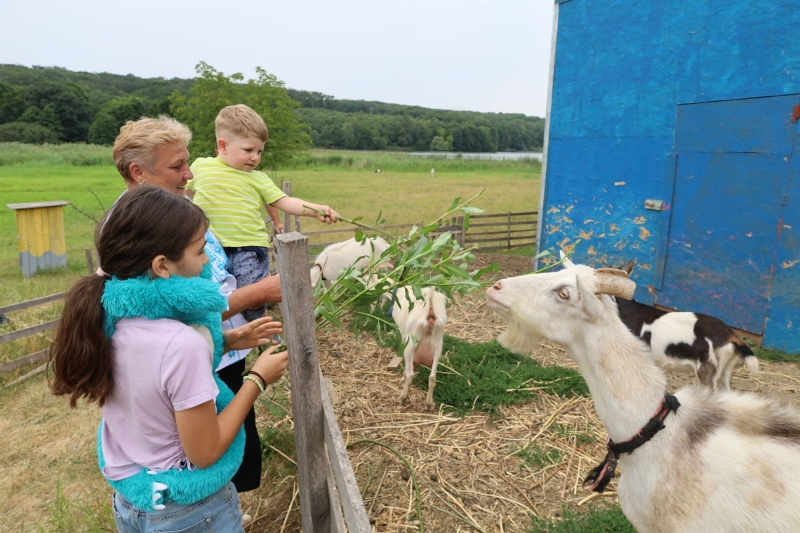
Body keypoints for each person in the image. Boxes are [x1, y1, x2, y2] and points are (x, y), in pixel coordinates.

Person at [49, 185, 290, 532]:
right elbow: (204, 451)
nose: (207, 260)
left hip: (136, 500)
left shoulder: (106, 317)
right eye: (198, 251)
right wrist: (257, 380)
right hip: (187, 511)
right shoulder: (181, 343)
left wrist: (230, 338)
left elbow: (151, 369)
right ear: (162, 266)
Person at [110, 116, 276, 503]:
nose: (189, 173)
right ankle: (214, 511)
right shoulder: (144, 228)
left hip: (210, 354)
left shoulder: (173, 211)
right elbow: (168, 316)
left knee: (231, 451)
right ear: (138, 172)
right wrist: (254, 295)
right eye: (176, 166)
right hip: (192, 374)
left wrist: (231, 336)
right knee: (207, 454)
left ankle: (223, 508)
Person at [187, 104, 340, 323]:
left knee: (250, 299)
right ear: (223, 145)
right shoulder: (201, 167)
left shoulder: (258, 178)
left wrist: (316, 210)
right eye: (249, 150)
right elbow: (183, 195)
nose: (255, 157)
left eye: (259, 151)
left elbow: (286, 202)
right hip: (209, 246)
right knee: (214, 297)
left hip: (247, 248)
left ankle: (265, 334)